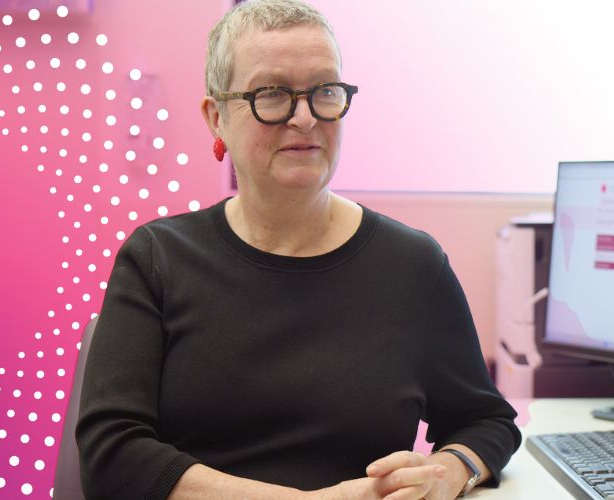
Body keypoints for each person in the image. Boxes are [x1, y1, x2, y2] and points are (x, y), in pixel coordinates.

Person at [75, 1, 520, 498]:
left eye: (325, 91)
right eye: (272, 93)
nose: (305, 118)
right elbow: (111, 454)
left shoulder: (413, 265)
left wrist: (448, 471)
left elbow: (485, 421)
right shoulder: (157, 258)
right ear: (216, 118)